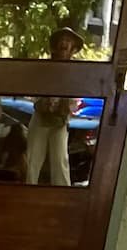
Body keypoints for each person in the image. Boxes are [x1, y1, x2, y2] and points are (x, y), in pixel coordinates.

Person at [26, 22, 86, 186]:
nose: (64, 43)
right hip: (40, 118)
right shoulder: (44, 67)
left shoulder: (75, 72)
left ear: (72, 48)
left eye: (68, 40)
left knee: (60, 161)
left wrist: (66, 108)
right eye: (62, 40)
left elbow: (76, 98)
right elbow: (33, 89)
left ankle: (62, 195)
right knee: (33, 159)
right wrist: (41, 103)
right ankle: (26, 193)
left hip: (60, 122)